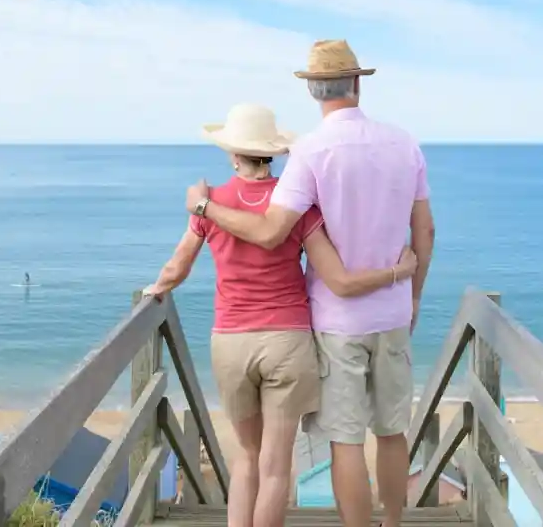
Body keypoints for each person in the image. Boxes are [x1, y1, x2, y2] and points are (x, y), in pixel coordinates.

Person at [185, 40, 435, 527]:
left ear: (313, 91)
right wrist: (414, 294)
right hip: (391, 314)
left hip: (336, 322)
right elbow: (424, 231)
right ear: (358, 83)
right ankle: (394, 524)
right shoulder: (405, 143)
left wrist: (205, 207)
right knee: (391, 432)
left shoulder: (310, 150)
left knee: (345, 440)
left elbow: (272, 230)